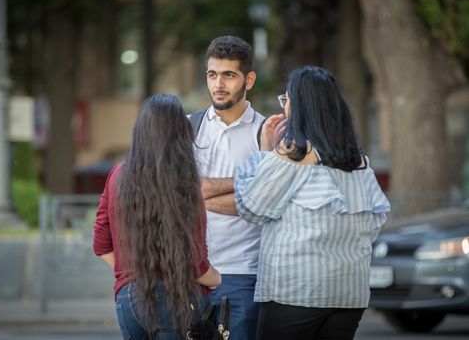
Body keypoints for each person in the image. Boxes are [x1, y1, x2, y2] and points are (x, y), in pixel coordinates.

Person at [234, 65, 391, 340]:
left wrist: (264, 152)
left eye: (287, 100)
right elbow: (375, 222)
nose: (285, 109)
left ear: (301, 106)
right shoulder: (358, 161)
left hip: (295, 291)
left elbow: (251, 206)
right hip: (348, 295)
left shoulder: (295, 152)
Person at [93, 94, 221, 339]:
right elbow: (195, 264)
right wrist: (217, 278)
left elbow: (101, 245)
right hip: (175, 299)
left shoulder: (117, 175)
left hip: (128, 300)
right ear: (180, 134)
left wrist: (132, 269)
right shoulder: (184, 181)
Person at [191, 35, 265, 340]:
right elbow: (176, 192)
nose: (218, 84)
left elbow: (260, 203)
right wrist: (245, 186)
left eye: (229, 75)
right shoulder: (188, 127)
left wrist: (197, 194)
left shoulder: (266, 132)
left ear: (249, 79)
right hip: (191, 271)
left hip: (243, 272)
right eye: (212, 74)